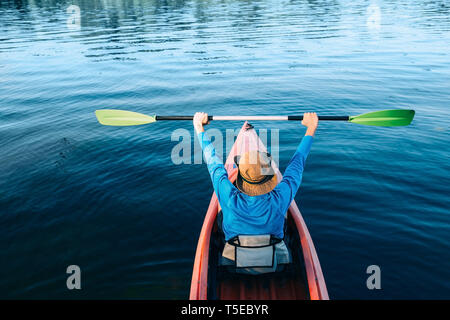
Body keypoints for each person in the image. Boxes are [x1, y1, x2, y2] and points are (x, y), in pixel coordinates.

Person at [194, 112, 318, 243]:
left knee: (221, 211)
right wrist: (311, 127)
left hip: (233, 254)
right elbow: (297, 164)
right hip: (274, 259)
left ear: (241, 178)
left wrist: (198, 126)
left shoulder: (228, 196)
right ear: (269, 179)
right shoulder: (280, 198)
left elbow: (213, 161)